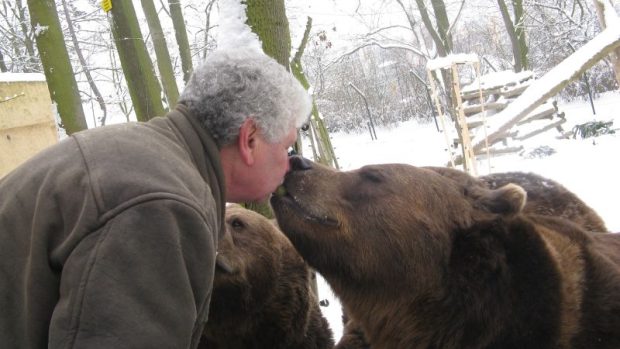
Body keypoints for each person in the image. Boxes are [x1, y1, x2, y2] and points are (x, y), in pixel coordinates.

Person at [0, 47, 311, 348]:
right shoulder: (163, 206)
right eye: (286, 148)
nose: (288, 164)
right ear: (250, 139)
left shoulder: (143, 156)